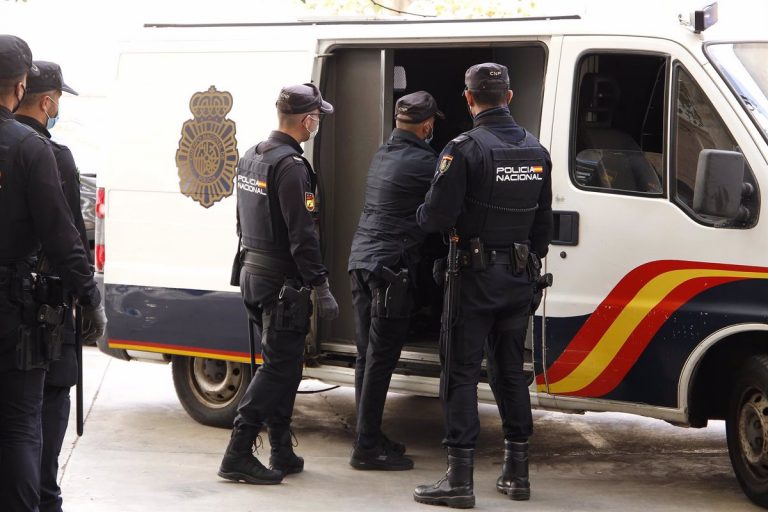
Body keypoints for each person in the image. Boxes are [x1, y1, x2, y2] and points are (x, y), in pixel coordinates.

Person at [413, 63, 553, 508]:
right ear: (508, 97)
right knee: (510, 374)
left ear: (469, 99)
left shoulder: (463, 149)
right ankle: (517, 475)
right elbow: (543, 231)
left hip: (473, 280)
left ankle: (459, 480)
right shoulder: (537, 151)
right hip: (519, 277)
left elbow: (434, 217)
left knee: (459, 373)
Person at [0, 35, 106, 511]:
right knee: (22, 424)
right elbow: (63, 234)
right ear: (20, 88)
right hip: (13, 308)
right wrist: (90, 295)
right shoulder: (31, 148)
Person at [218, 83, 340, 485]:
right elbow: (302, 234)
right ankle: (238, 451)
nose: (318, 122)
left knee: (284, 369)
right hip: (281, 284)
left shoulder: (253, 156)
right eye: (317, 117)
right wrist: (320, 284)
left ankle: (282, 451)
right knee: (277, 368)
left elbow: (241, 219)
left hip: (253, 272)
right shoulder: (291, 167)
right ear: (306, 120)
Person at [347, 91, 444, 471]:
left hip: (361, 262)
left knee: (365, 356)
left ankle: (366, 435)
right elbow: (440, 213)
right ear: (427, 126)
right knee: (381, 359)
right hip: (389, 272)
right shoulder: (426, 162)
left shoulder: (383, 153)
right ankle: (366, 448)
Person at [15, 60, 88, 512]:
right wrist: (90, 297)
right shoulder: (52, 156)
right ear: (45, 101)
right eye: (58, 100)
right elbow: (71, 239)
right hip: (43, 310)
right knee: (42, 414)